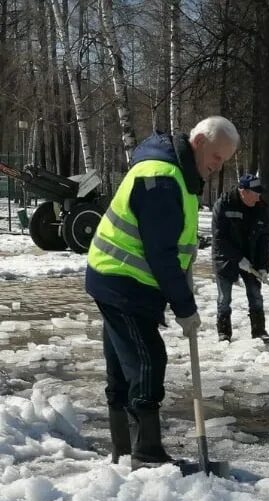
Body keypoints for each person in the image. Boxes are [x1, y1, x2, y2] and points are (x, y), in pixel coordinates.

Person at [86, 116, 239, 469]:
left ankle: (124, 451)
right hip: (122, 279)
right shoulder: (163, 177)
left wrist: (183, 283)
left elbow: (174, 245)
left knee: (123, 366)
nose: (217, 167)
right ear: (199, 142)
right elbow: (160, 252)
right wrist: (184, 307)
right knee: (147, 361)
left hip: (119, 278)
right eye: (216, 157)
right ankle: (146, 454)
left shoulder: (178, 175)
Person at [211, 173, 269, 345]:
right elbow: (219, 238)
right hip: (225, 257)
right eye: (254, 193)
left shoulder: (261, 207)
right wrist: (238, 259)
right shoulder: (224, 204)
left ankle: (259, 331)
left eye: (259, 192)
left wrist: (263, 266)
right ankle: (224, 333)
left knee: (256, 295)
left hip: (252, 257)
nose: (258, 196)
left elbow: (264, 240)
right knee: (224, 297)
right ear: (243, 191)